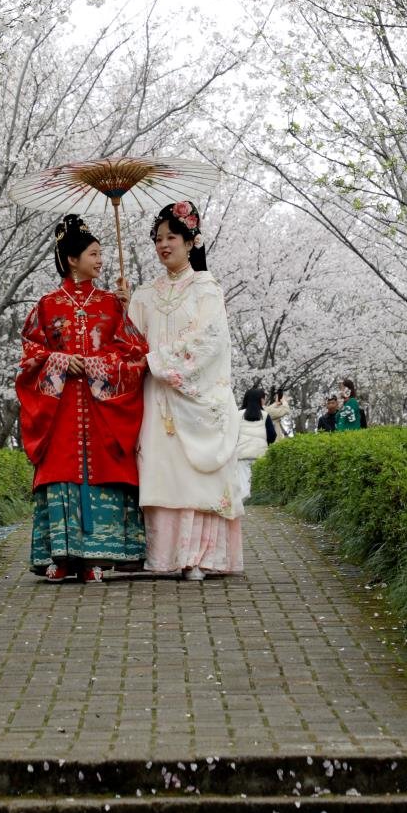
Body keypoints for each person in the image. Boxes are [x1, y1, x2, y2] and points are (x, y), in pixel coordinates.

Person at [16, 215, 147, 582]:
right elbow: (29, 357)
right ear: (72, 259)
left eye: (102, 254)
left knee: (103, 472)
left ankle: (96, 560)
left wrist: (96, 362)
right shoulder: (45, 306)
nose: (100, 260)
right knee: (61, 474)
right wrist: (59, 361)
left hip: (103, 409)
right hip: (59, 411)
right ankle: (61, 558)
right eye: (93, 253)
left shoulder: (111, 304)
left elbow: (135, 353)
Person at [128, 201, 244, 580]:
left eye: (172, 238)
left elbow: (210, 340)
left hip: (194, 396)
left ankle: (200, 556)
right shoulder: (144, 294)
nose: (164, 245)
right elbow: (130, 342)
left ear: (192, 241)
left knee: (196, 476)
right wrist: (120, 305)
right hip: (157, 398)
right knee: (161, 471)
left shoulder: (207, 288)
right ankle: (164, 557)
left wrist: (161, 363)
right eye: (158, 239)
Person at [237, 385, 269, 501]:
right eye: (263, 398)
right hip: (260, 453)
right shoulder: (265, 415)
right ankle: (256, 500)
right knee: (257, 480)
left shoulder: (239, 414)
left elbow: (233, 434)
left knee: (243, 481)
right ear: (259, 400)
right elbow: (272, 435)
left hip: (242, 453)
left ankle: (243, 502)